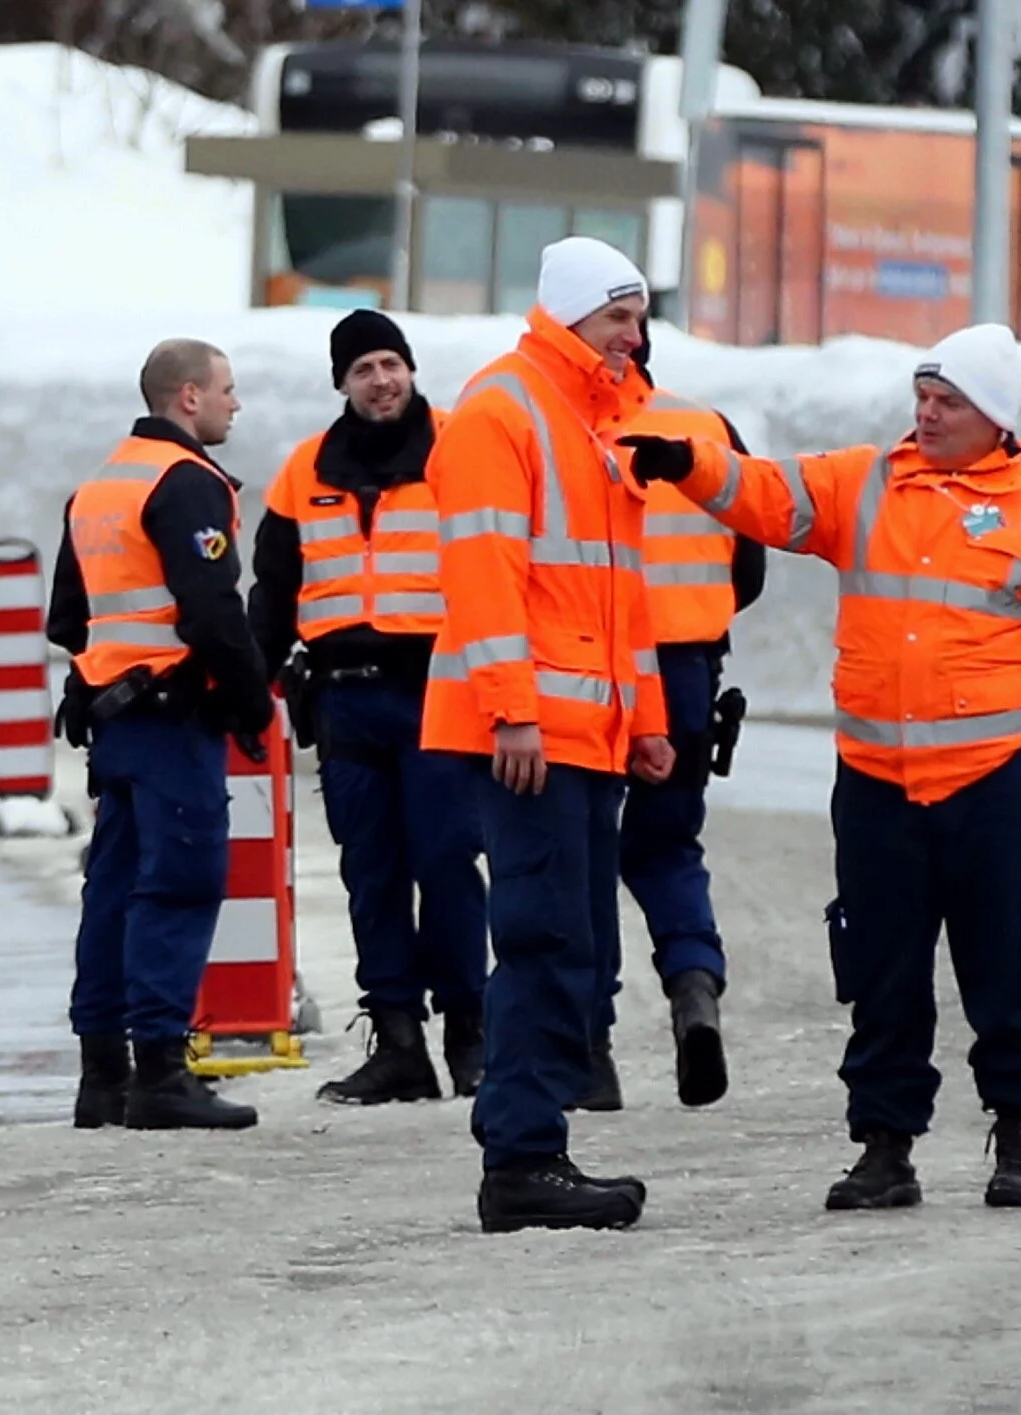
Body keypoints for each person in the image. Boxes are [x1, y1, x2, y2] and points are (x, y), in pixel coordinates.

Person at [619, 322, 1021, 1210]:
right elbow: (764, 494)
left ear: (995, 418)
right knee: (882, 971)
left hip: (992, 783)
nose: (927, 416)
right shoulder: (863, 484)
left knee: (1009, 966)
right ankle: (884, 1148)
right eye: (922, 398)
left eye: (948, 404)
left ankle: (1020, 1136)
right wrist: (688, 462)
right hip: (878, 785)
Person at [423, 236, 675, 1233]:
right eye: (619, 316)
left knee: (566, 943)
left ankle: (532, 1146)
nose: (633, 336)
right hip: (526, 733)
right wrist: (512, 708)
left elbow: (619, 601)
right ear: (572, 313)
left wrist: (645, 721)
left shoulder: (590, 420)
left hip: (580, 733)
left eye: (637, 316)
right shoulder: (506, 408)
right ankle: (522, 1160)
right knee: (538, 939)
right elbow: (483, 575)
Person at [249, 310, 487, 1106]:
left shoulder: (463, 448)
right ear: (342, 383)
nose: (381, 381)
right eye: (363, 370)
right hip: (346, 702)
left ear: (411, 368)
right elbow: (273, 591)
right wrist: (253, 686)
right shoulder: (305, 468)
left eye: (390, 363)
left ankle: (470, 1032)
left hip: (441, 693)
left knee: (449, 863)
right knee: (371, 875)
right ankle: (397, 1040)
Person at [48, 338, 272, 1131]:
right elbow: (214, 611)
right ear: (187, 397)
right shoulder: (185, 483)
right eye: (226, 391)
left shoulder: (99, 486)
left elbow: (67, 618)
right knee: (177, 883)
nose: (233, 405)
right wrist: (253, 702)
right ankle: (162, 1073)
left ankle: (101, 1076)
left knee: (111, 889)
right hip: (176, 714)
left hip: (112, 718)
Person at [570, 329, 765, 1112]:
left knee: (584, 850)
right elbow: (747, 564)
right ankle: (693, 992)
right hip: (687, 671)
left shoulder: (572, 437)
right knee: (666, 847)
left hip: (590, 666)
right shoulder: (707, 428)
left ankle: (592, 1052)